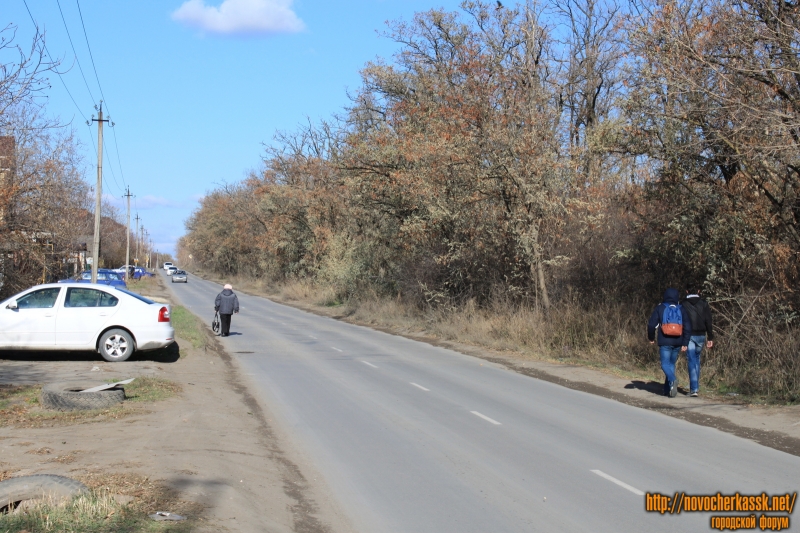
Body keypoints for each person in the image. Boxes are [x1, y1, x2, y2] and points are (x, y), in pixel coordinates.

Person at [647, 287, 692, 397]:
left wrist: (651, 338)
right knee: (671, 364)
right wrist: (685, 343)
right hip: (678, 341)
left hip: (665, 341)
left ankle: (673, 379)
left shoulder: (660, 308)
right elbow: (688, 327)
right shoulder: (681, 309)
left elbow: (651, 325)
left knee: (664, 364)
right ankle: (668, 390)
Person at [682, 285, 714, 397]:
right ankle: (695, 387)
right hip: (701, 335)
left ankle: (694, 389)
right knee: (697, 359)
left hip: (689, 335)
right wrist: (710, 337)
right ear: (699, 291)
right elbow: (708, 321)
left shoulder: (683, 304)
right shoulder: (704, 303)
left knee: (691, 360)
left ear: (687, 291)